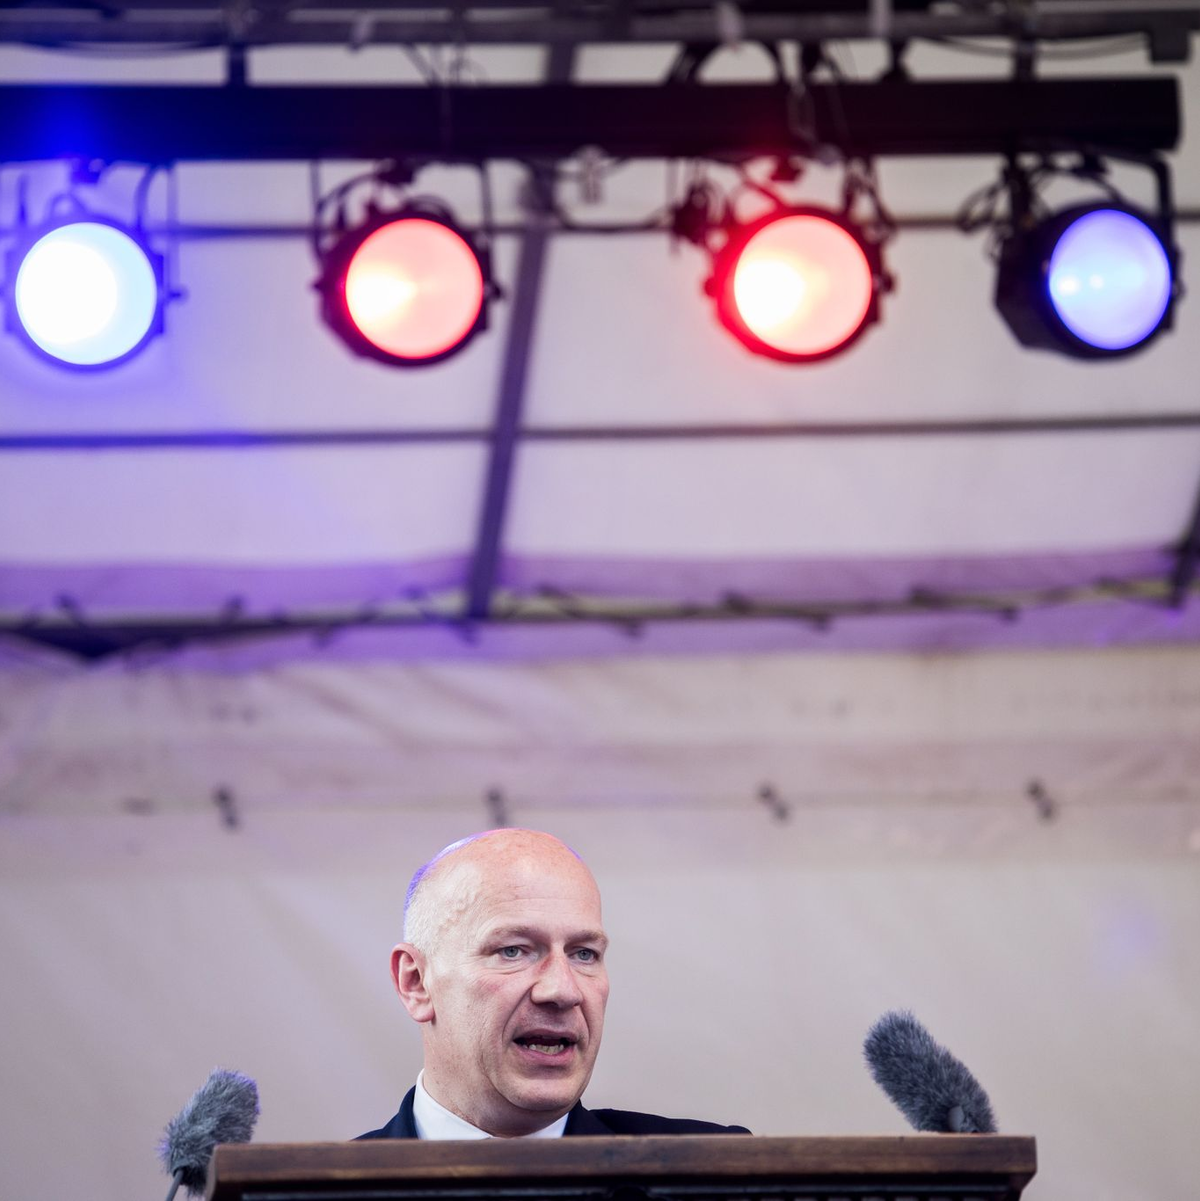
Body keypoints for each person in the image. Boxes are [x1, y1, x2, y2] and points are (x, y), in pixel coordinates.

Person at [358, 828, 749, 1139]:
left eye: (584, 954)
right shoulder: (328, 1192)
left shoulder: (717, 1176)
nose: (563, 990)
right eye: (513, 951)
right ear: (416, 982)